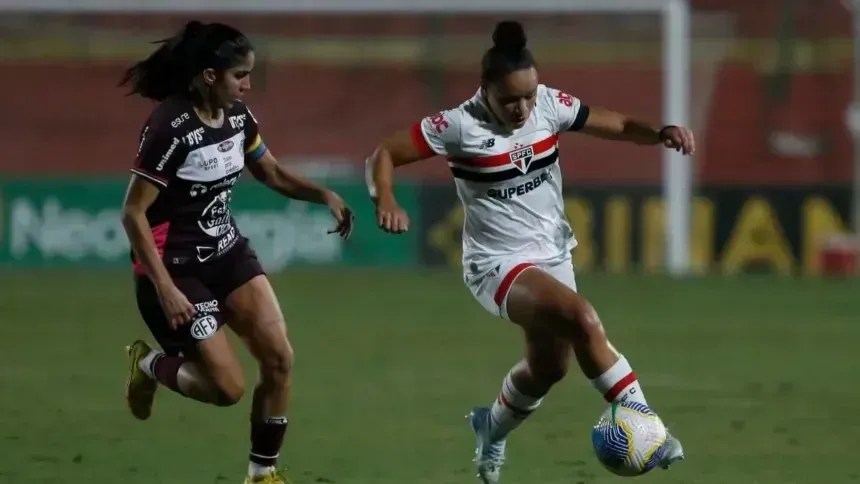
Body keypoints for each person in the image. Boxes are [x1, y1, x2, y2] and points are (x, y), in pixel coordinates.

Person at [365, 20, 692, 483]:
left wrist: (659, 132)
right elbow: (383, 153)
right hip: (496, 264)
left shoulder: (550, 105)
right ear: (485, 90)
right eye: (510, 100)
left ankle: (491, 430)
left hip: (552, 254)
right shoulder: (458, 125)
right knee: (582, 318)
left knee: (548, 368)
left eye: (529, 96)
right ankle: (648, 425)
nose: (522, 108)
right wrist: (385, 198)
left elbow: (616, 123)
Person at [119, 21, 353, 484]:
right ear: (210, 75)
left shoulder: (238, 117)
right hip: (176, 271)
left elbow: (272, 173)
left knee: (280, 359)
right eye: (240, 75)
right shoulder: (170, 127)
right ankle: (149, 364)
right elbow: (133, 213)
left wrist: (323, 194)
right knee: (226, 389)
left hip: (227, 254)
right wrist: (165, 289)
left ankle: (262, 475)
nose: (247, 84)